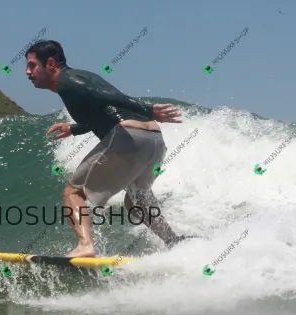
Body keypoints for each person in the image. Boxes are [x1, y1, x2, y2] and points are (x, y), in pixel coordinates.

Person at [25, 40, 195, 258]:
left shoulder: (69, 82)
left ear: (50, 64)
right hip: (153, 139)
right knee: (136, 201)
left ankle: (85, 246)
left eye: (32, 65)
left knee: (73, 193)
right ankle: (174, 241)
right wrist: (73, 129)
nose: (28, 72)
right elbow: (103, 110)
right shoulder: (81, 78)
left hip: (129, 136)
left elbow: (110, 97)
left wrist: (148, 109)